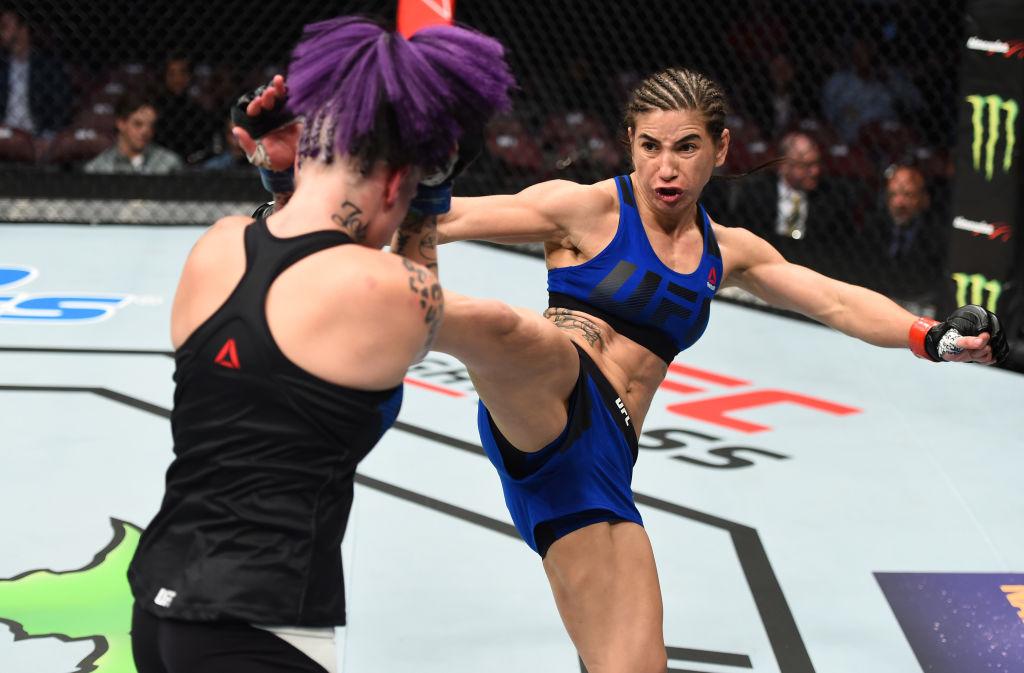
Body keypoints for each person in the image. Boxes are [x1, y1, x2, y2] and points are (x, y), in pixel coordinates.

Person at [241, 66, 1008, 673]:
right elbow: (436, 216)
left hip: (601, 464)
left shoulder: (726, 251)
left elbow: (835, 301)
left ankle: (414, 312)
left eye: (684, 147)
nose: (664, 166)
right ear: (629, 143)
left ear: (721, 149)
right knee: (511, 329)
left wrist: (932, 336)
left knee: (631, 662)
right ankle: (400, 313)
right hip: (550, 391)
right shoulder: (584, 209)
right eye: (648, 145)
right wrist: (308, 182)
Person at [126, 16, 512, 673]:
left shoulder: (214, 247)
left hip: (156, 608)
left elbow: (301, 252)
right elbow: (403, 294)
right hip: (262, 626)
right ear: (394, 185)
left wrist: (281, 181)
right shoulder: (393, 294)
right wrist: (430, 197)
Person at [719, 130, 861, 277]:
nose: (815, 171)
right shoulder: (758, 193)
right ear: (785, 165)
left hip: (810, 267)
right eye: (807, 165)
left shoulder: (829, 198)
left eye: (817, 163)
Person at [854, 163, 948, 315]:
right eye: (893, 195)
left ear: (924, 199)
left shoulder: (938, 234)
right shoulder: (874, 227)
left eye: (908, 195)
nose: (899, 203)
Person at [0, 9, 71, 154]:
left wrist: (48, 135)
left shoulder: (47, 66)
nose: (1, 32)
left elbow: (62, 105)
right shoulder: (2, 66)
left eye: (5, 26)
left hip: (35, 135)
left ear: (23, 29)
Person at [82, 90, 183, 174]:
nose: (145, 131)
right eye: (138, 124)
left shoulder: (169, 164)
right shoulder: (98, 168)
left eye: (151, 125)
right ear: (121, 123)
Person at [153, 53, 218, 163]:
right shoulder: (155, 110)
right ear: (165, 77)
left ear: (189, 76)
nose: (178, 79)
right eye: (172, 74)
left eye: (182, 73)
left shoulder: (199, 112)